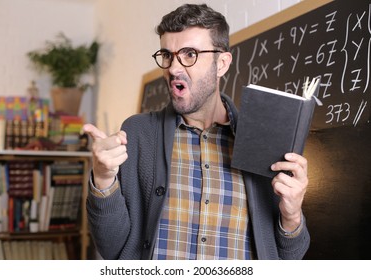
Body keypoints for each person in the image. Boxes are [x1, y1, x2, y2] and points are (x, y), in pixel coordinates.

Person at [83, 3, 310, 260]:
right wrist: (102, 180)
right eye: (167, 55)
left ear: (222, 63)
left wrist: (291, 215)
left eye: (190, 54)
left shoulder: (263, 139)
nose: (173, 68)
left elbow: (290, 258)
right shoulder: (137, 134)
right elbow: (112, 249)